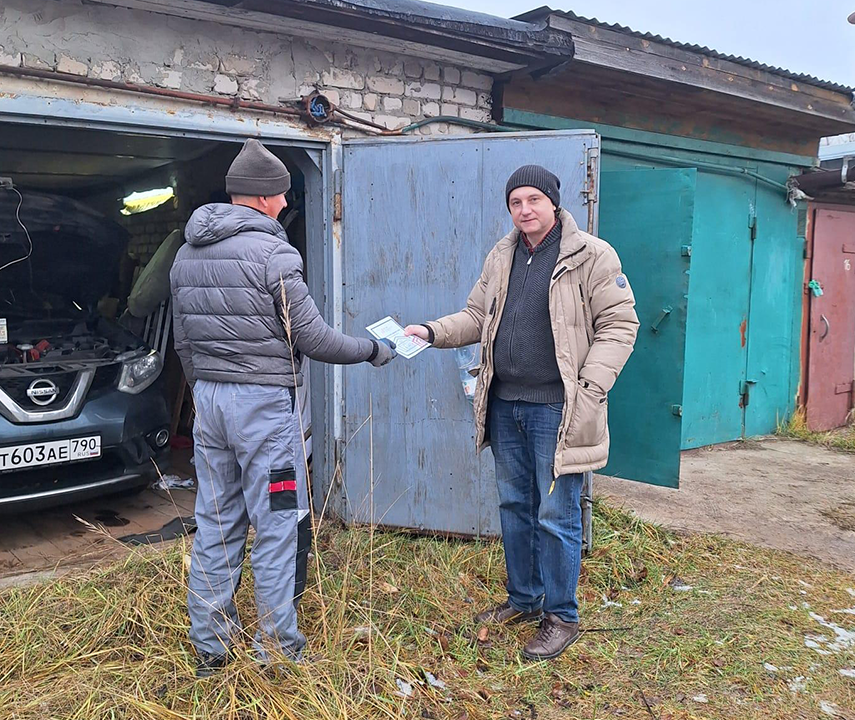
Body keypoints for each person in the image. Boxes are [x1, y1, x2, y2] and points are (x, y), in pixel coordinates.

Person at [170, 139, 396, 676]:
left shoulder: (186, 252)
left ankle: (210, 645)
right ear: (269, 198)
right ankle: (278, 647)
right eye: (284, 196)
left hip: (209, 401)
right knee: (276, 522)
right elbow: (314, 338)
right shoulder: (275, 255)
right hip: (264, 408)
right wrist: (372, 349)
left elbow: (182, 342)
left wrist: (207, 391)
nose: (286, 204)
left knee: (215, 518)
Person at [406, 165, 638, 661]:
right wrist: (430, 331)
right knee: (514, 506)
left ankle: (561, 616)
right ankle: (525, 598)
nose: (525, 209)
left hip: (558, 408)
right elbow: (475, 316)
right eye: (516, 202)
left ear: (554, 202)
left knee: (556, 513)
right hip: (505, 403)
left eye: (534, 199)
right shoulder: (502, 254)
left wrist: (591, 385)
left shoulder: (592, 255)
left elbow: (620, 323)